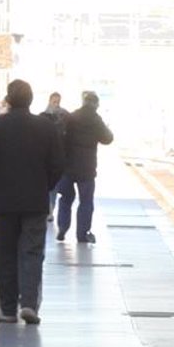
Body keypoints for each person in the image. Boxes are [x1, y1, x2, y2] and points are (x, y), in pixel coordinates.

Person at [0, 79, 64, 325]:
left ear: (9, 99)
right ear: (31, 100)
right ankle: (28, 304)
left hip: (4, 201)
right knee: (32, 253)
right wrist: (45, 185)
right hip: (35, 200)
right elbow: (58, 163)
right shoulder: (46, 127)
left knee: (5, 253)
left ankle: (7, 309)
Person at [57, 91, 113, 243]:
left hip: (68, 166)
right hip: (87, 168)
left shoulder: (72, 116)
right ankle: (82, 234)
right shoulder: (96, 120)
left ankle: (62, 227)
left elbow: (60, 135)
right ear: (96, 104)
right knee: (86, 201)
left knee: (65, 198)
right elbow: (108, 139)